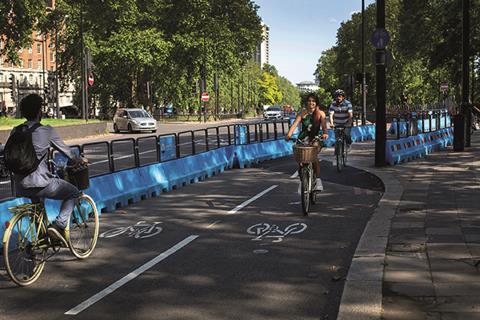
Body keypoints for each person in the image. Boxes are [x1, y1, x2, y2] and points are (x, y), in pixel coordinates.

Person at [11, 94, 86, 246]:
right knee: (72, 192)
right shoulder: (46, 130)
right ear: (40, 111)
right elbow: (68, 153)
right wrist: (80, 160)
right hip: (41, 183)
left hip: (19, 185)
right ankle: (59, 225)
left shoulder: (15, 130)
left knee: (37, 208)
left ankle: (40, 241)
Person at [285, 92, 329, 192]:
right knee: (301, 161)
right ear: (306, 102)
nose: (311, 103)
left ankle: (318, 181)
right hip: (303, 138)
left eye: (313, 101)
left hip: (316, 138)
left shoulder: (321, 114)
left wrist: (325, 134)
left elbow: (324, 127)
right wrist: (289, 135)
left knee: (314, 157)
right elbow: (294, 125)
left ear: (316, 102)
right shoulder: (302, 113)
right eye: (309, 101)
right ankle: (303, 182)